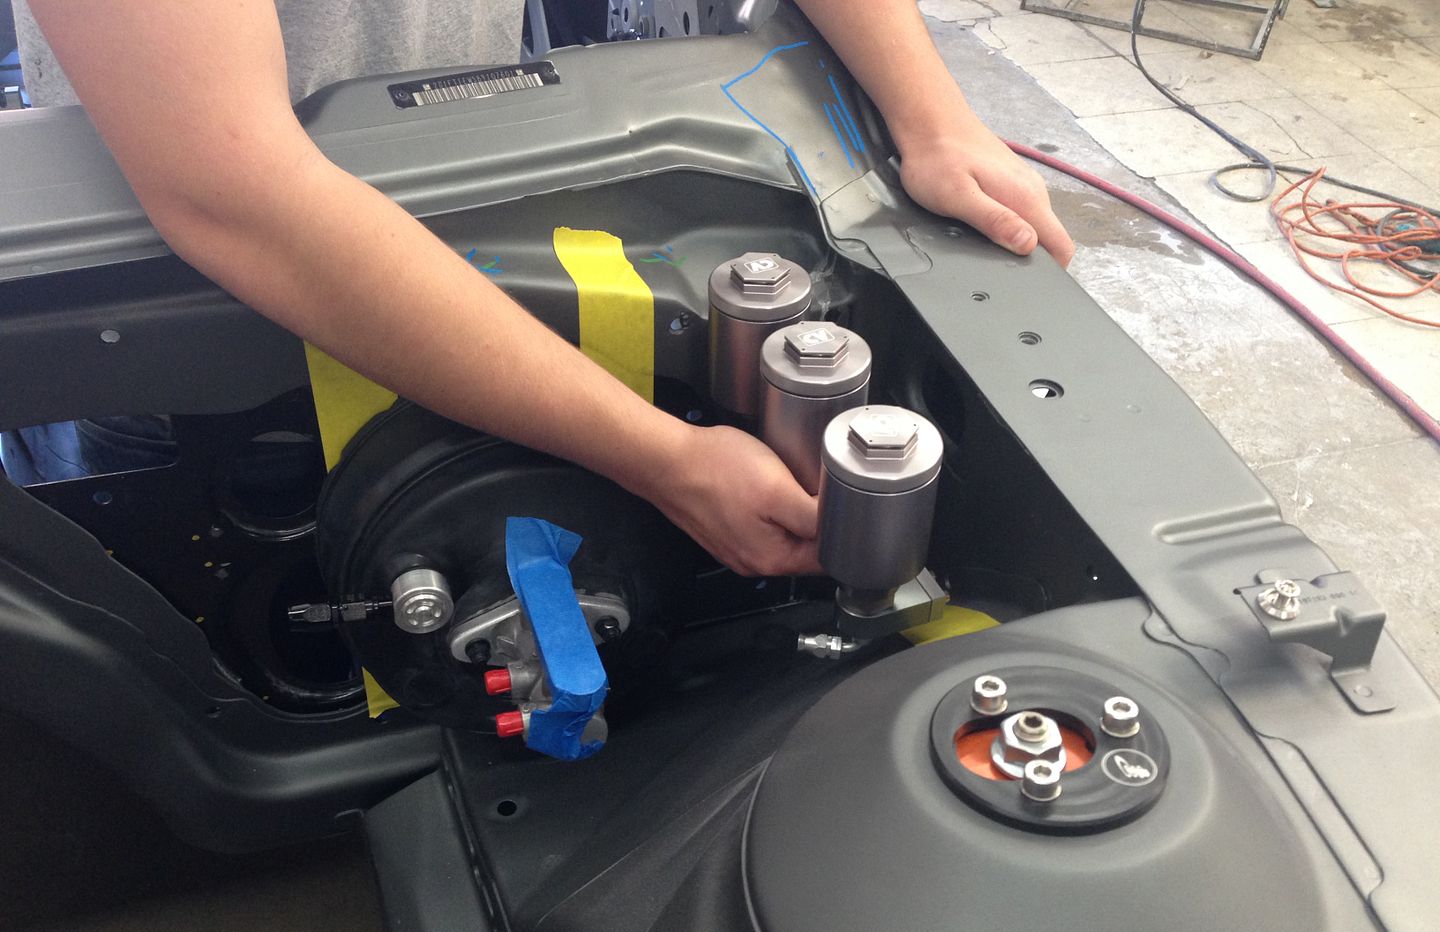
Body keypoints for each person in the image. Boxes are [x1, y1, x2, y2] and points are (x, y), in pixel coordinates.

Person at [12, 0, 1073, 576]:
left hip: (474, 232)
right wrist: (663, 462)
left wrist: (936, 121)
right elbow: (229, 194)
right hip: (223, 337)